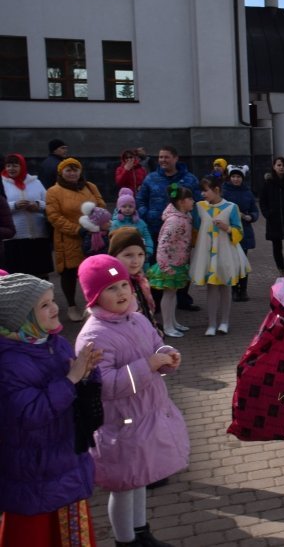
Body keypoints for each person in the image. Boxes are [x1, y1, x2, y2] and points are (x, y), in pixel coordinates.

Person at [75, 255, 188, 547]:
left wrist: (167, 355)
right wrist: (149, 365)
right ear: (95, 296)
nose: (122, 293)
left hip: (144, 415)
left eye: (124, 284)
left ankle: (141, 532)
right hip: (121, 423)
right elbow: (106, 385)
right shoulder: (94, 336)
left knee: (139, 479)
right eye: (111, 288)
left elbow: (155, 343)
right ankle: (125, 541)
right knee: (124, 486)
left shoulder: (136, 318)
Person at [0, 273, 103, 547]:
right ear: (22, 319)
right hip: (33, 473)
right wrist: (71, 379)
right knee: (33, 536)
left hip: (65, 459)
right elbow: (30, 414)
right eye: (44, 305)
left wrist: (88, 372)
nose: (55, 307)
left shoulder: (54, 343)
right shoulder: (9, 361)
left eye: (51, 300)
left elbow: (76, 390)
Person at [136, 146, 202, 312]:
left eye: (166, 157)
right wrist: (147, 214)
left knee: (181, 264)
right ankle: (157, 301)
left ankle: (182, 299)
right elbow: (140, 200)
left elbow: (198, 202)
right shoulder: (151, 178)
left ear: (175, 158)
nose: (163, 160)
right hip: (155, 230)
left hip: (181, 233)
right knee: (157, 265)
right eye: (160, 157)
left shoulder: (189, 179)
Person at [45, 158, 106, 322]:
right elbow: (54, 216)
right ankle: (72, 306)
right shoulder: (53, 191)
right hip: (69, 238)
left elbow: (101, 205)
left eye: (75, 170)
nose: (72, 174)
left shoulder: (89, 186)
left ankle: (94, 303)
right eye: (68, 170)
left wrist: (96, 222)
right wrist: (77, 229)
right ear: (61, 173)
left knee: (94, 271)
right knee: (70, 273)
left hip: (93, 236)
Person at [189, 176, 250, 336]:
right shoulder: (199, 207)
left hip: (225, 253)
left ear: (216, 190)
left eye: (205, 190)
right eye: (202, 190)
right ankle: (211, 324)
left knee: (225, 287)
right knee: (211, 288)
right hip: (207, 253)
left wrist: (228, 229)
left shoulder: (231, 208)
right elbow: (195, 227)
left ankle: (224, 322)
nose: (202, 194)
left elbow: (239, 232)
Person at [145, 184, 194, 339]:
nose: (193, 201)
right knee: (169, 294)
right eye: (190, 198)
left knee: (173, 294)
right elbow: (163, 243)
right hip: (170, 263)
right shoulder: (174, 221)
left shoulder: (185, 218)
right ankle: (167, 326)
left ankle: (172, 322)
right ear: (181, 202)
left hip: (178, 261)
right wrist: (164, 265)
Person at [2, 153, 53, 278]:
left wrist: (37, 205)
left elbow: (50, 203)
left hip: (38, 236)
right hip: (14, 238)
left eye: (15, 165)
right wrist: (14, 206)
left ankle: (44, 298)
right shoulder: (1, 183)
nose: (11, 169)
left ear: (22, 166)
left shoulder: (35, 182)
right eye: (8, 166)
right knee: (16, 275)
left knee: (40, 274)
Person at [109, 227, 159, 333]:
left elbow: (146, 309)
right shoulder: (112, 283)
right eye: (128, 255)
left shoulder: (139, 278)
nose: (136, 261)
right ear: (114, 256)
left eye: (140, 254)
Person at [222, 165, 259, 301]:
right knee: (232, 262)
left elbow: (254, 210)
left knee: (242, 262)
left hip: (244, 231)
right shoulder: (224, 192)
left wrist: (251, 217)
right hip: (228, 231)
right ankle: (233, 289)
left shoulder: (247, 192)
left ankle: (243, 290)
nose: (236, 179)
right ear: (230, 177)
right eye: (233, 177)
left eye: (238, 177)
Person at [111, 187, 154, 260]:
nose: (127, 208)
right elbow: (112, 240)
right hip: (123, 257)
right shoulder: (115, 223)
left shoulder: (141, 223)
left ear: (134, 208)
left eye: (130, 206)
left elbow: (147, 237)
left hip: (141, 256)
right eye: (124, 206)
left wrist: (148, 250)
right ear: (119, 208)